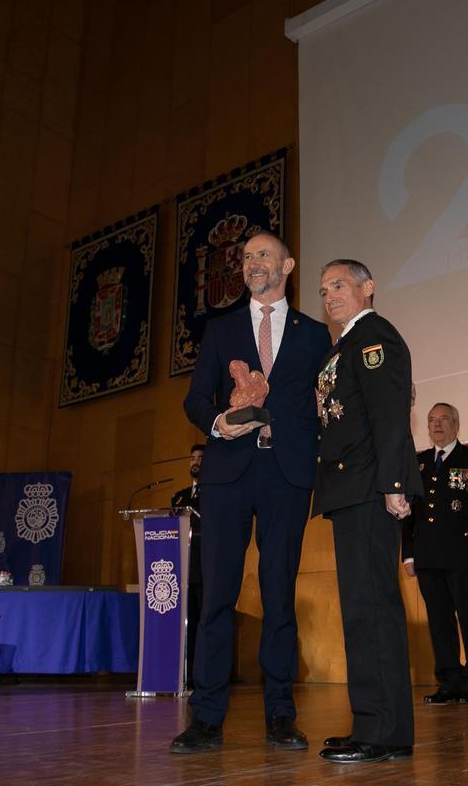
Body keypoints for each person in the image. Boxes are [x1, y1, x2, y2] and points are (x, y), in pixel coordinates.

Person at [171, 233, 332, 754]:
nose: (251, 263)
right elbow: (195, 399)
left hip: (286, 474)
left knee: (279, 593)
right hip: (226, 477)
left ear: (287, 264)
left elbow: (327, 404)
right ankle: (207, 717)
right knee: (216, 594)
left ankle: (280, 714)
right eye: (245, 257)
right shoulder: (220, 330)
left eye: (262, 254)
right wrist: (217, 421)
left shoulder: (314, 335)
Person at [312, 259, 421, 764]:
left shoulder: (374, 337)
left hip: (368, 489)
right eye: (323, 289)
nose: (330, 295)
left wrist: (394, 483)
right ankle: (379, 726)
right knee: (363, 610)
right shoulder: (347, 344)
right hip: (350, 490)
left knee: (372, 609)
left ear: (367, 287)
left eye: (339, 284)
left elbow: (388, 412)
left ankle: (381, 732)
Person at [402, 402, 468, 704]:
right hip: (428, 556)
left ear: (456, 425)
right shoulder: (417, 463)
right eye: (431, 421)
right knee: (439, 621)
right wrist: (408, 554)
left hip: (463, 555)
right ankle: (449, 680)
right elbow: (408, 513)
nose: (436, 425)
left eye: (443, 419)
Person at [171, 443, 205, 685]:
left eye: (200, 458)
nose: (195, 462)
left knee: (204, 620)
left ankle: (205, 673)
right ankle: (186, 674)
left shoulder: (215, 493)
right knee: (187, 623)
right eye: (192, 457)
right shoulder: (179, 497)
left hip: (205, 569)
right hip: (182, 570)